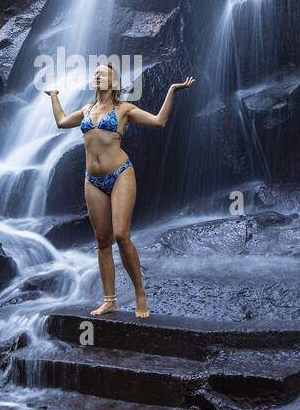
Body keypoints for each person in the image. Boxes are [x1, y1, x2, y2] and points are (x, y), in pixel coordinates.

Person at [44, 64, 196, 317]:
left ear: (114, 82)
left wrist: (171, 90)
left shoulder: (124, 109)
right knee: (103, 241)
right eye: (95, 73)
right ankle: (109, 300)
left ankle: (139, 293)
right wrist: (54, 96)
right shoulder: (86, 110)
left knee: (122, 235)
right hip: (92, 179)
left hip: (121, 174)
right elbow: (61, 122)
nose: (97, 75)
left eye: (102, 73)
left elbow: (159, 122)